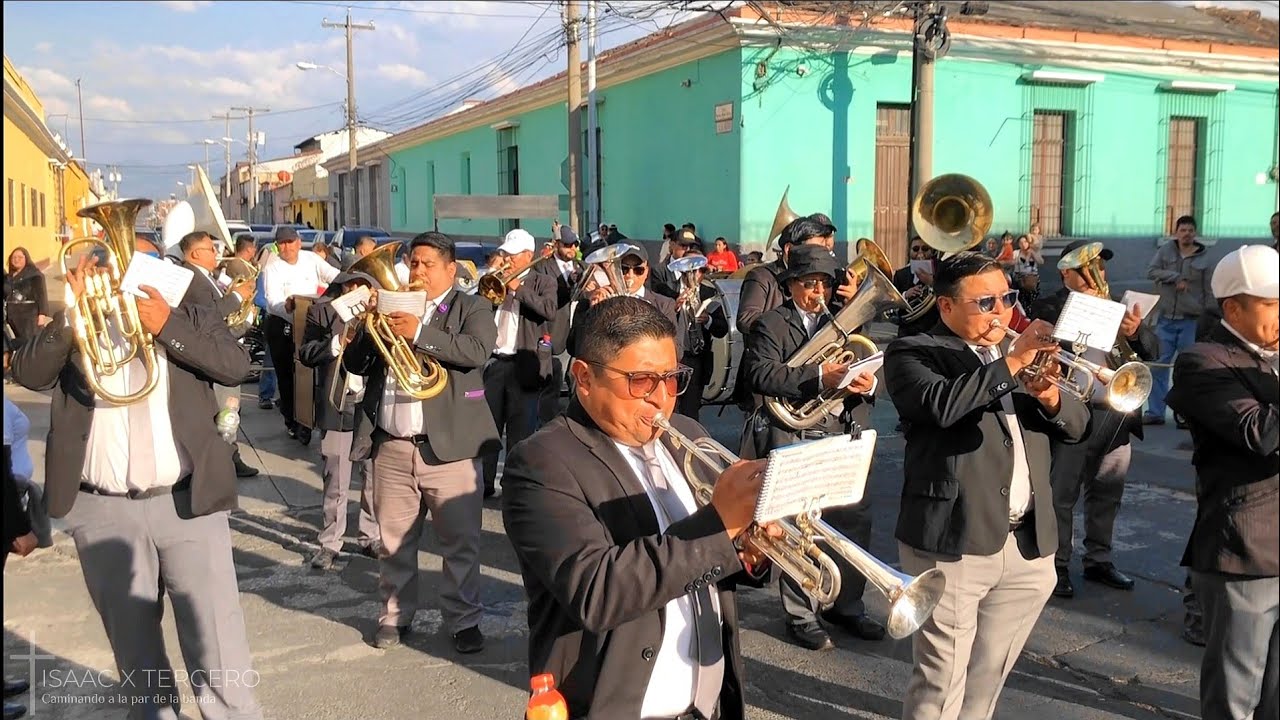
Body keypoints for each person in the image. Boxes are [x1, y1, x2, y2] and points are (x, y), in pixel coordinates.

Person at [10, 238, 263, 719]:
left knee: (218, 645)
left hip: (187, 501)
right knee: (136, 657)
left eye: (138, 257)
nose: (123, 267)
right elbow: (29, 372)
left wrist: (167, 325)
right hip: (102, 508)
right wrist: (72, 315)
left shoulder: (189, 306)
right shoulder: (81, 318)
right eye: (114, 258)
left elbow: (234, 365)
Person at [502, 296, 776, 720]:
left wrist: (748, 546)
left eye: (672, 378)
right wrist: (721, 523)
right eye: (641, 381)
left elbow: (709, 558)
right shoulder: (541, 462)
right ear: (584, 378)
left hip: (708, 706)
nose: (662, 399)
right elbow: (597, 591)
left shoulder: (686, 431)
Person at [884, 251, 1090, 720]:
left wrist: (1050, 395)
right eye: (986, 303)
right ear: (946, 306)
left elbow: (1079, 427)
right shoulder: (913, 351)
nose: (1002, 311)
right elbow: (940, 406)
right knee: (941, 680)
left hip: (1027, 543)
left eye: (1008, 298)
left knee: (989, 674)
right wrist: (1013, 363)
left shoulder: (1015, 355)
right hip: (953, 537)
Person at [342, 231, 500, 652]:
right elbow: (356, 364)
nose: (418, 271)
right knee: (394, 543)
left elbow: (477, 351)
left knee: (460, 544)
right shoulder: (392, 304)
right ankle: (394, 616)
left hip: (451, 449)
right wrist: (366, 325)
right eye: (413, 262)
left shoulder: (471, 306)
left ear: (451, 269)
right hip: (393, 444)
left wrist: (419, 333)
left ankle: (464, 620)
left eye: (428, 264)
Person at [741, 243, 884, 650]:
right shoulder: (772, 324)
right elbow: (758, 374)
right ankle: (802, 615)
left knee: (853, 521)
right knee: (800, 527)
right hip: (797, 435)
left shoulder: (843, 321)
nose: (819, 291)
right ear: (791, 286)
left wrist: (867, 384)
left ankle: (847, 605)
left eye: (824, 283)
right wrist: (820, 375)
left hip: (843, 432)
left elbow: (869, 363)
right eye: (809, 283)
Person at [1167, 244, 1278, 720]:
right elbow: (1259, 433)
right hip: (1247, 550)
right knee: (1237, 695)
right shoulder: (1204, 360)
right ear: (1233, 308)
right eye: (1271, 303)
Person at [1030, 239, 1159, 598]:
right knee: (1063, 493)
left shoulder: (1120, 307)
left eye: (1099, 267)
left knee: (1106, 493)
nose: (1095, 274)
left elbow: (1152, 351)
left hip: (1117, 414)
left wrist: (1135, 332)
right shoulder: (1050, 306)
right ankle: (1057, 564)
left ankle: (1099, 559)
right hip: (1072, 411)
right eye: (1085, 268)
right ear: (1065, 275)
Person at [297, 269, 383, 569]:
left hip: (370, 402)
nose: (356, 288)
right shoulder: (321, 311)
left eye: (364, 284)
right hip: (338, 402)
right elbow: (306, 353)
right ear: (343, 286)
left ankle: (371, 535)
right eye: (351, 284)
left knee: (373, 475)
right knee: (335, 477)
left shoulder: (383, 311)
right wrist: (337, 342)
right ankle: (330, 541)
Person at [480, 229, 559, 498]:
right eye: (506, 254)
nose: (508, 259)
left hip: (525, 363)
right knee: (488, 428)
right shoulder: (496, 279)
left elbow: (549, 310)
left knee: (520, 431)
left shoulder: (543, 282)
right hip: (495, 360)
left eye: (513, 255)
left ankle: (513, 486)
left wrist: (518, 289)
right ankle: (485, 483)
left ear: (528, 255)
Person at [179, 230, 259, 478]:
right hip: (215, 355)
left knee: (228, 411)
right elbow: (209, 315)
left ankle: (229, 455)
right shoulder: (192, 279)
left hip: (223, 348)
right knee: (225, 412)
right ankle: (225, 460)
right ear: (195, 254)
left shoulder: (205, 276)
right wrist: (237, 296)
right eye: (211, 249)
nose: (217, 253)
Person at [261, 226, 340, 444]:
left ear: (298, 242)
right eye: (282, 244)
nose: (287, 248)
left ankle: (309, 418)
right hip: (283, 324)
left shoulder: (311, 259)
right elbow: (272, 301)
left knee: (311, 372)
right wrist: (287, 307)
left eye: (290, 242)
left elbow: (333, 276)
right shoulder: (273, 268)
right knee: (287, 375)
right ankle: (292, 421)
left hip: (309, 322)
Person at [1145, 215, 1211, 426]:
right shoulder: (1165, 251)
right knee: (1159, 365)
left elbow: (1208, 290)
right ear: (1176, 233)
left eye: (1190, 230)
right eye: (1183, 230)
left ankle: (1185, 414)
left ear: (1195, 233)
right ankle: (1155, 412)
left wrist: (1208, 315)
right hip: (1165, 320)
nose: (1186, 234)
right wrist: (1175, 277)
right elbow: (1151, 271)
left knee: (1188, 368)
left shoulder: (1205, 257)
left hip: (1190, 321)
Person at [673, 247, 729, 422]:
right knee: (670, 407)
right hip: (672, 357)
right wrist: (674, 307)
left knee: (691, 410)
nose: (697, 274)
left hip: (696, 358)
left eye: (701, 270)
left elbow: (722, 329)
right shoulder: (667, 289)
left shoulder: (709, 293)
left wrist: (709, 320)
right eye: (692, 269)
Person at [4, 248, 49, 343]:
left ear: (26, 259)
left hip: (29, 318)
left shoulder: (35, 275)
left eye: (20, 257)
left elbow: (42, 295)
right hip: (12, 318)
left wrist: (42, 315)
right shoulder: (8, 278)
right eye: (14, 257)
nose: (16, 260)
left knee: (30, 343)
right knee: (16, 343)